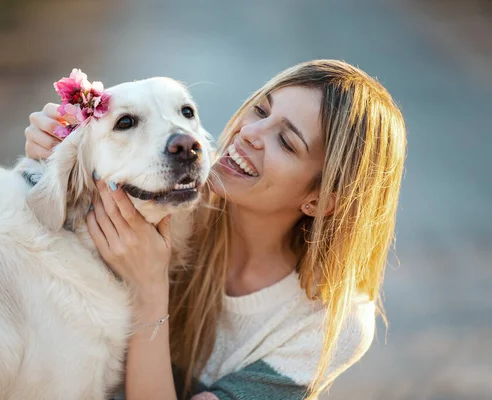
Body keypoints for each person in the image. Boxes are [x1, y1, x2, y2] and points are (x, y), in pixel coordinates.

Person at [24, 60, 406, 400]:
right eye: (260, 109)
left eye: (286, 142)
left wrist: (149, 290)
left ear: (322, 200)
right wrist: (55, 145)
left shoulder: (330, 323)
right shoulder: (164, 196)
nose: (250, 133)